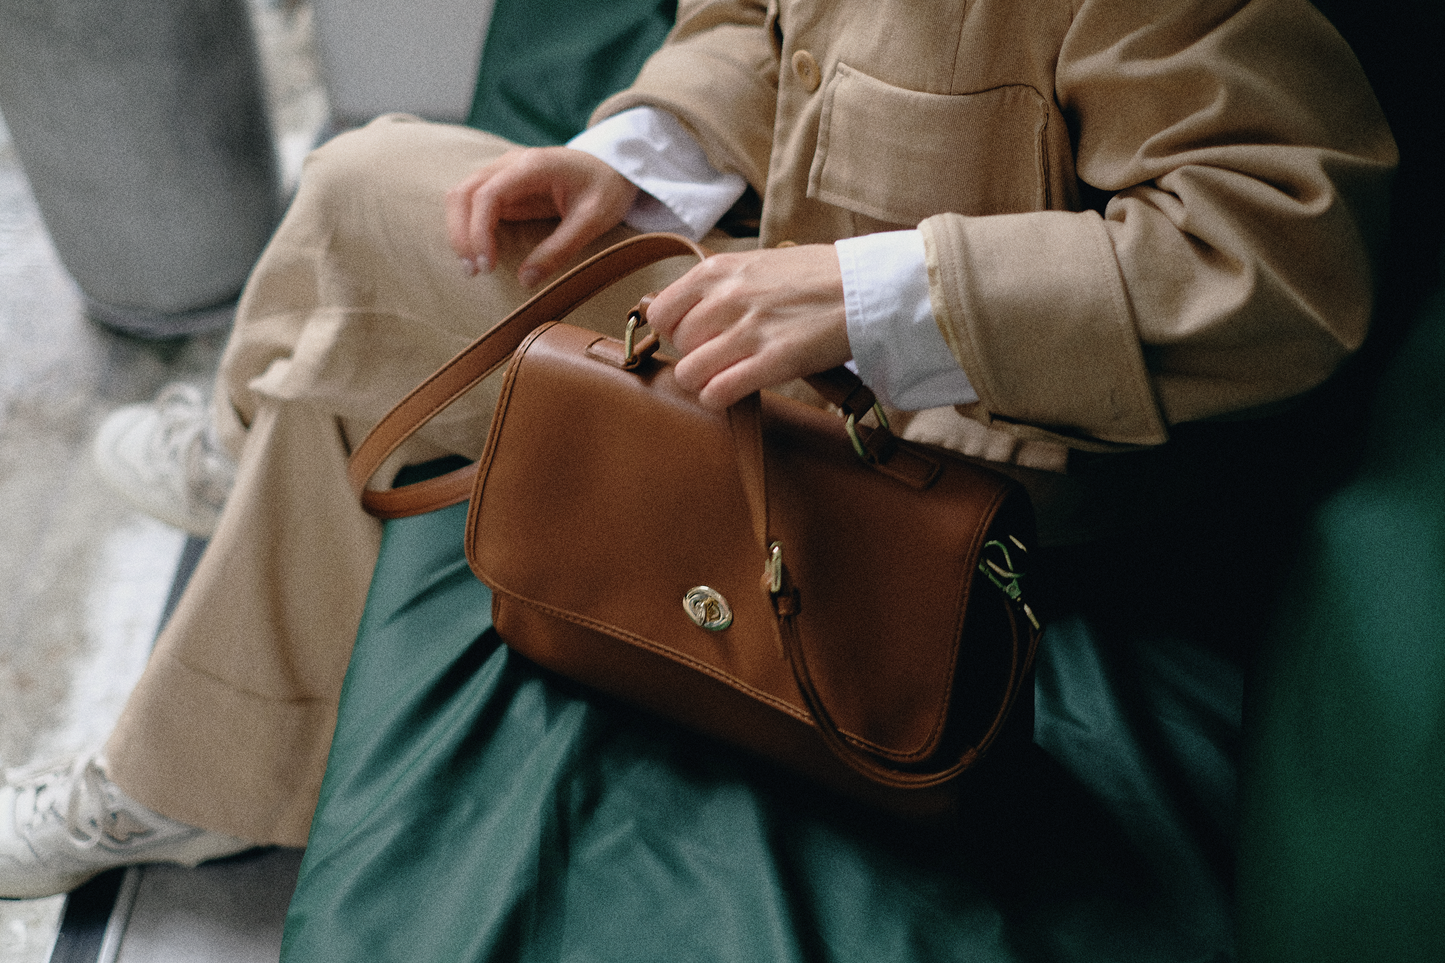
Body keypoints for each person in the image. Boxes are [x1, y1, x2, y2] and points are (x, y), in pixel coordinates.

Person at [0, 0, 1395, 899]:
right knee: (372, 184)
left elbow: (1283, 251)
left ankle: (184, 777)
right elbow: (747, 18)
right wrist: (646, 154)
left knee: (356, 313)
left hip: (971, 441)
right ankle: (245, 474)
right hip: (774, 309)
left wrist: (865, 293)